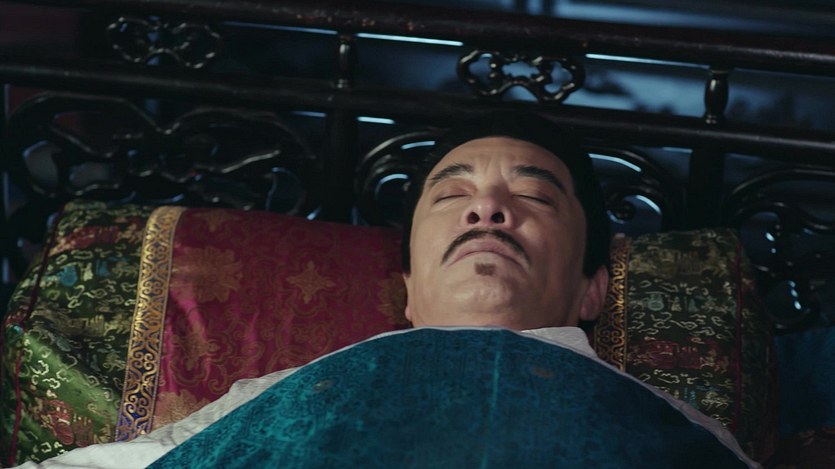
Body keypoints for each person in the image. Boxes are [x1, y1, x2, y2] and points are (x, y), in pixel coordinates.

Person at [18, 112, 757, 468]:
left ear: (592, 290)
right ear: (407, 288)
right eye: (452, 193)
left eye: (534, 196)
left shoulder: (675, 426)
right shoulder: (281, 396)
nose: (487, 208)